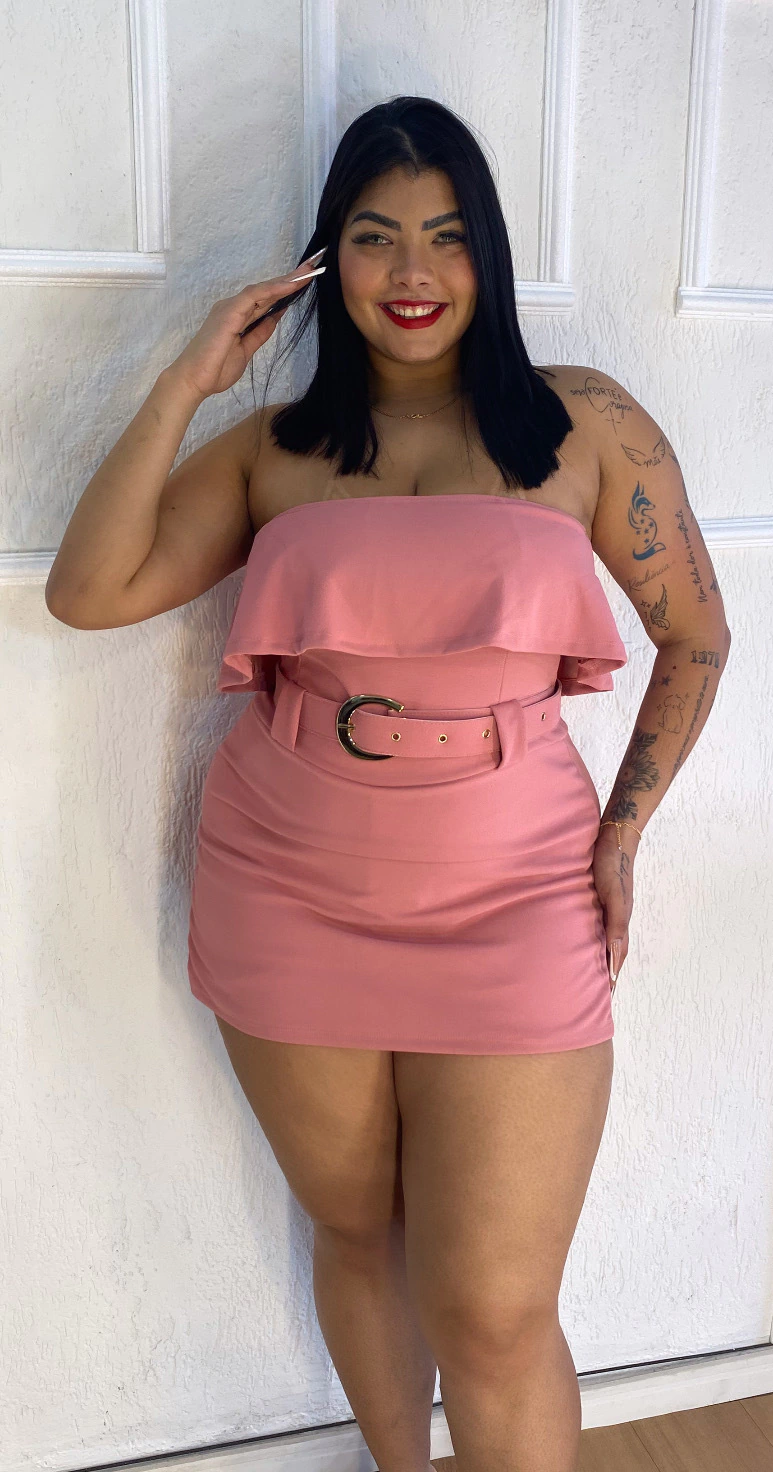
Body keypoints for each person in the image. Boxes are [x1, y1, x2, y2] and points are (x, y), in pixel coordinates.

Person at [45, 96, 730, 1472]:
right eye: (374, 237)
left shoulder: (586, 424)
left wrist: (622, 835)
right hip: (289, 885)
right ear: (329, 259)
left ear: (490, 253)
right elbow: (89, 590)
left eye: (448, 235)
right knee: (358, 1232)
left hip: (517, 889)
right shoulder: (274, 448)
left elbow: (697, 638)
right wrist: (187, 381)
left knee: (493, 1310)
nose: (412, 273)